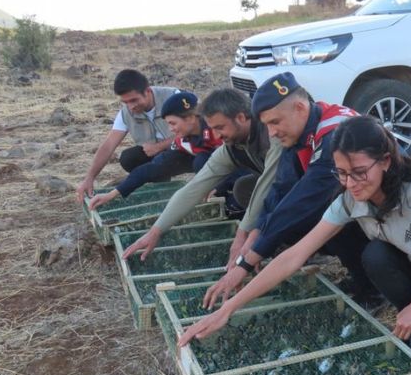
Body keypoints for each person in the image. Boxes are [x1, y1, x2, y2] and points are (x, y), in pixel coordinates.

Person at [178, 115, 411, 365]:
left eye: (359, 172)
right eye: (341, 173)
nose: (350, 183)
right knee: (376, 256)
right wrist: (228, 310)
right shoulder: (351, 199)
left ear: (385, 160)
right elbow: (294, 256)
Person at [121, 87, 279, 264]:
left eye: (220, 128)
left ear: (241, 118)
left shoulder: (271, 134)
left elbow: (268, 184)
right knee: (243, 189)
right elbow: (194, 187)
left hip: (302, 187)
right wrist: (155, 231)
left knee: (259, 197)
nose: (217, 136)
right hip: (277, 186)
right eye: (213, 129)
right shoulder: (231, 147)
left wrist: (242, 234)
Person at [88, 91, 240, 210]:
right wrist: (114, 193)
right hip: (215, 169)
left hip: (243, 173)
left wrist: (219, 186)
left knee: (204, 162)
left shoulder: (219, 131)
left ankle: (230, 202)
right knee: (169, 162)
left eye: (173, 123)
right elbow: (152, 168)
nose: (170, 129)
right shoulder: (183, 140)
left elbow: (241, 162)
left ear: (191, 118)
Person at [75, 69, 179, 203]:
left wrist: (159, 147)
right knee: (128, 158)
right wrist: (89, 178)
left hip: (182, 151)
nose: (131, 107)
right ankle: (160, 188)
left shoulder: (174, 97)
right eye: (126, 102)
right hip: (158, 156)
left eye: (134, 100)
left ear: (147, 91)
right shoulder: (126, 113)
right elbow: (109, 145)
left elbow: (196, 130)